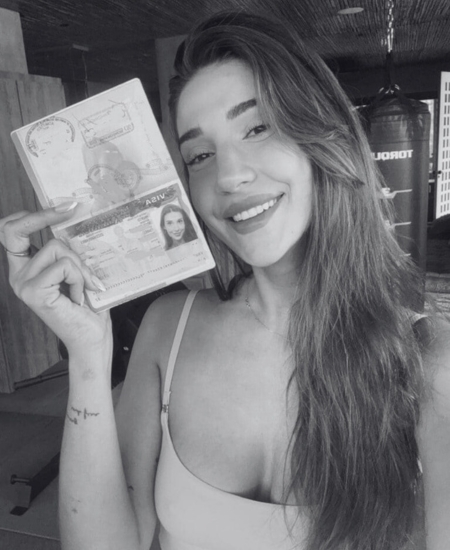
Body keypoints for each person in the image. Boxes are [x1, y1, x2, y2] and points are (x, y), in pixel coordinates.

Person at [1, 11, 449, 550]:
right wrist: (87, 357)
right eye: (200, 155)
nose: (229, 175)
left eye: (257, 128)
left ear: (322, 136)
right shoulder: (169, 328)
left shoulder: (430, 361)